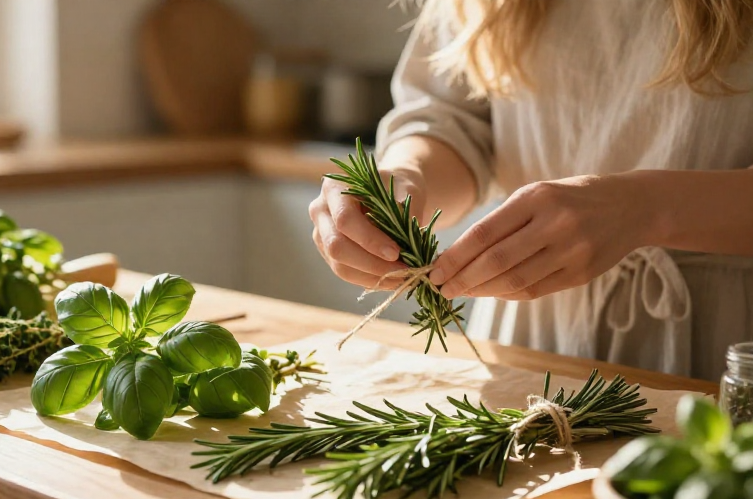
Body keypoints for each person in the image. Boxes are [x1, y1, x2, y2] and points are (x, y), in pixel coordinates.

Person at [309, 0, 753, 381]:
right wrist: (407, 178)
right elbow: (453, 116)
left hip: (723, 346)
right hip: (526, 340)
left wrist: (645, 209)